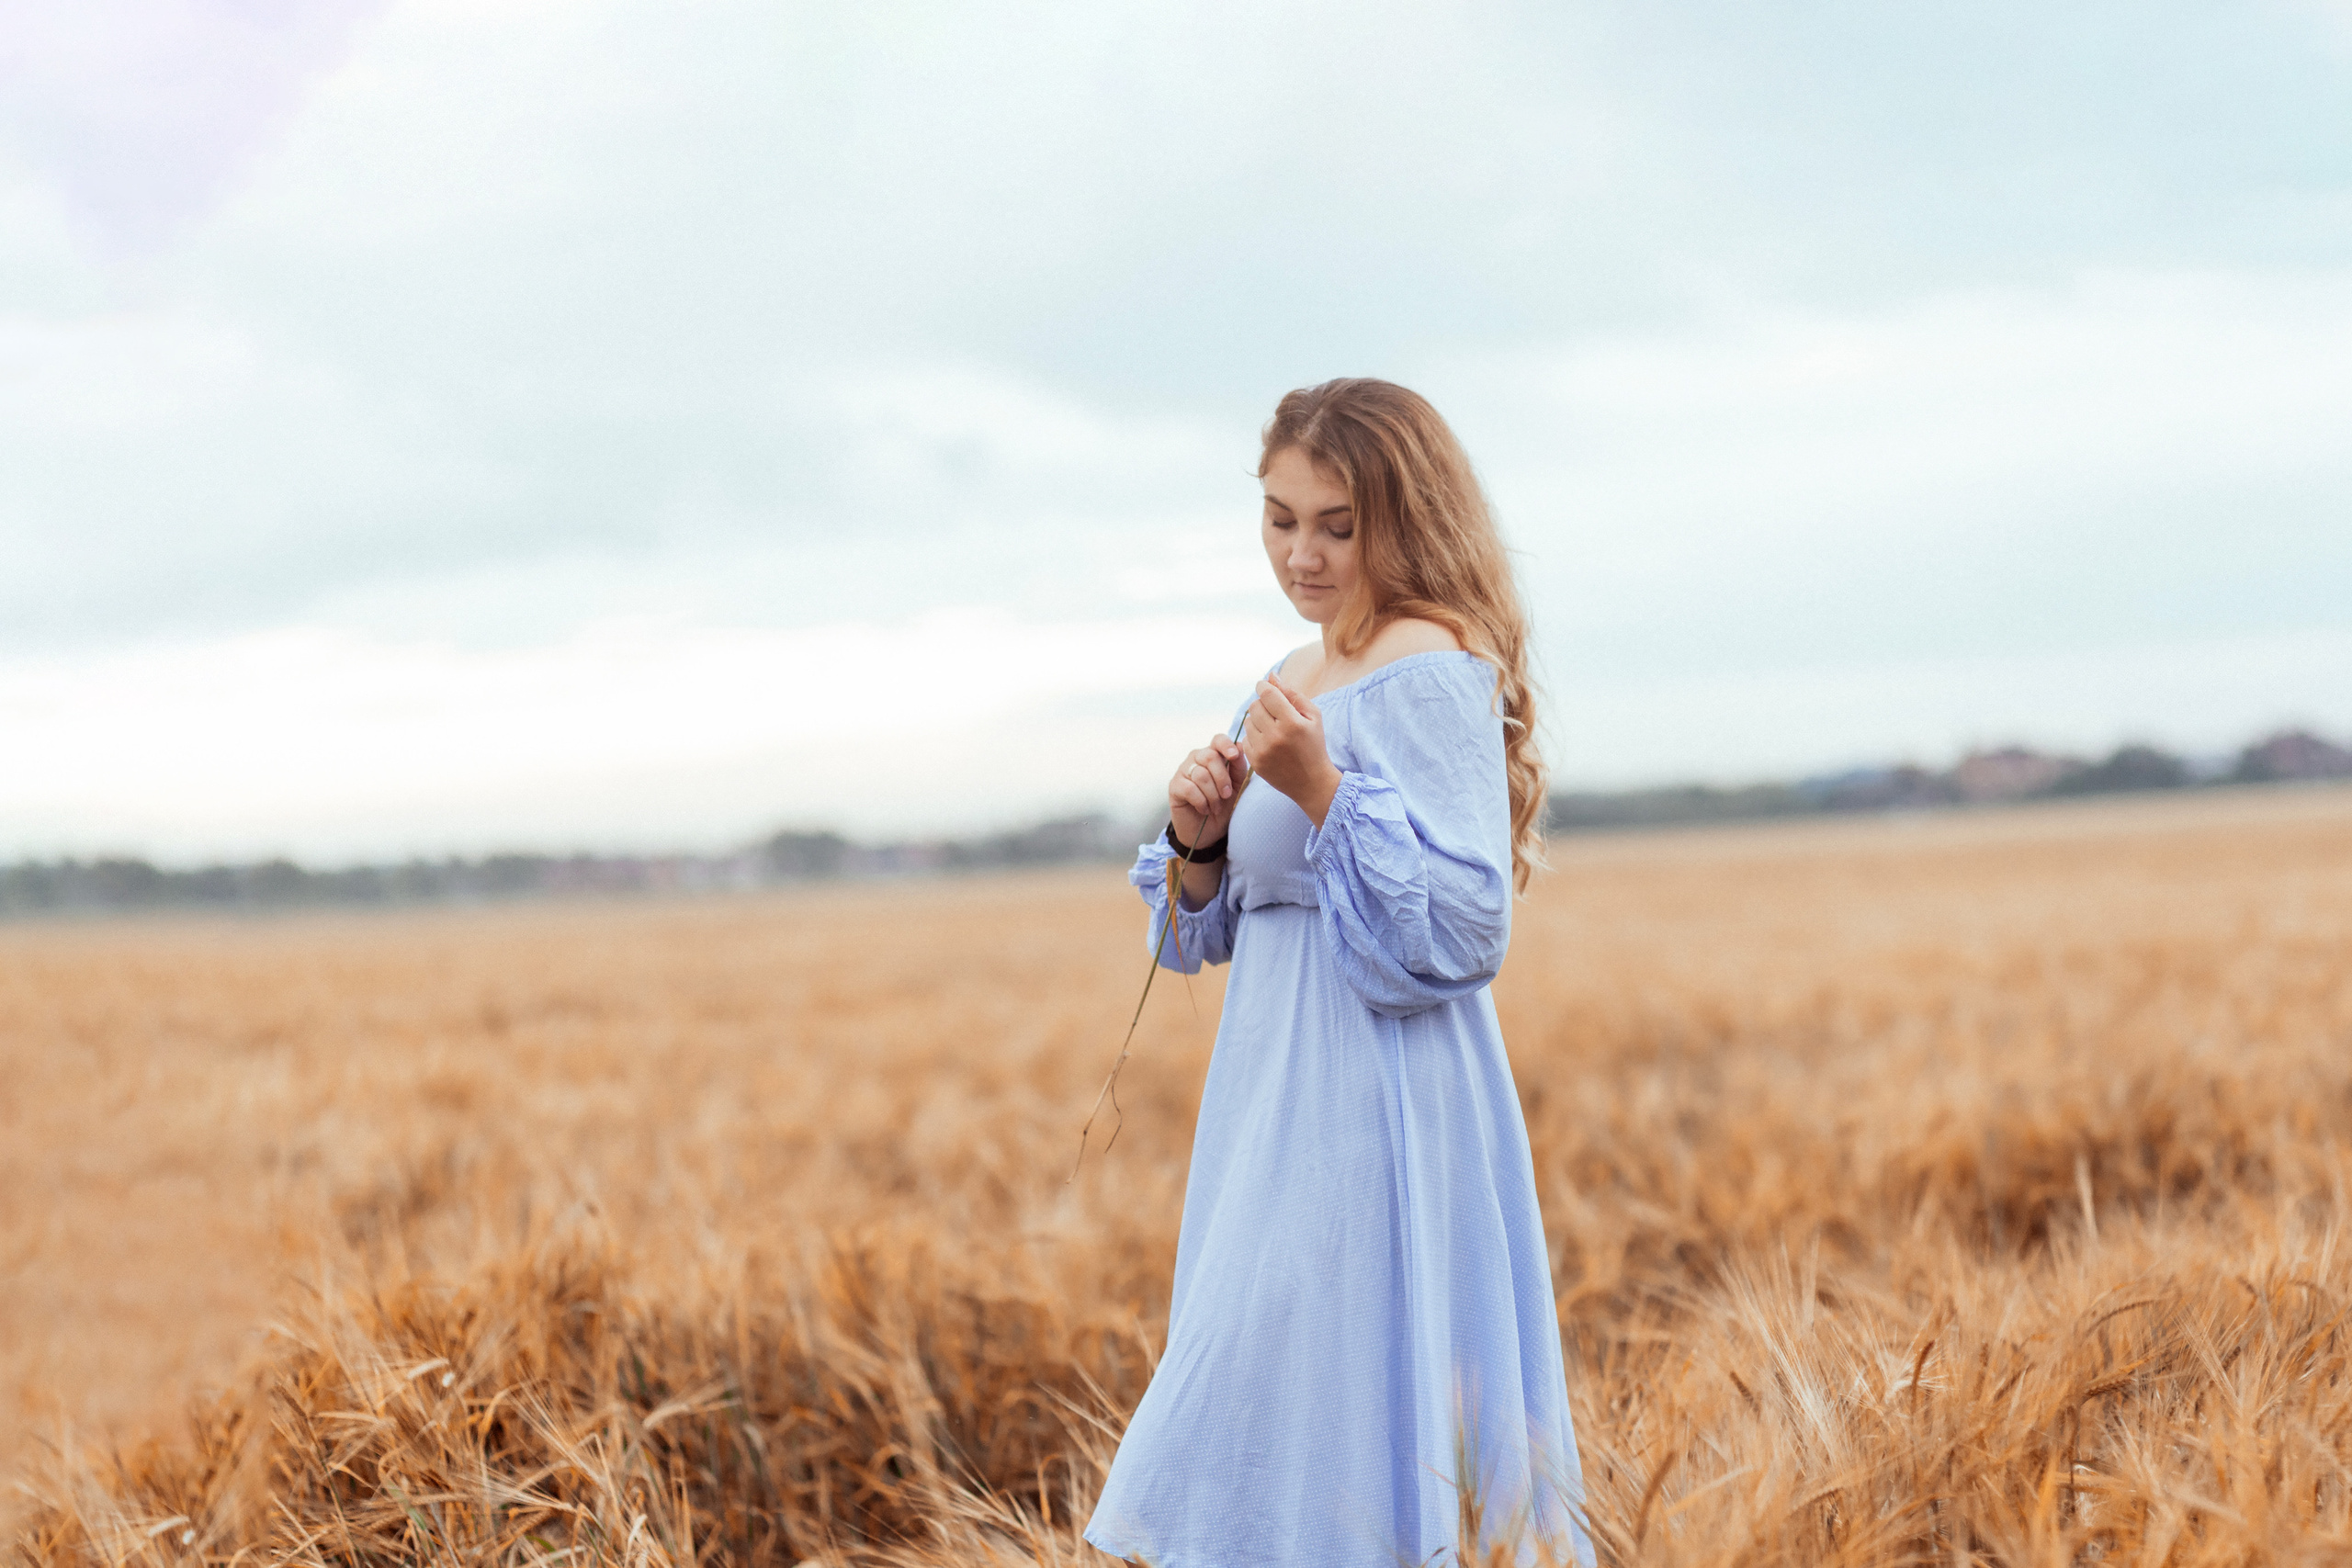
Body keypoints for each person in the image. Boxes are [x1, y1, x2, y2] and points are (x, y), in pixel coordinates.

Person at [1083, 379, 1594, 1568]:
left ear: (1403, 519)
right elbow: (1195, 936)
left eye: (1336, 524)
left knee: (1306, 1395)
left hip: (1377, 1108)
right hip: (1270, 1105)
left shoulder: (1430, 669)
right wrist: (1200, 839)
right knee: (1271, 1401)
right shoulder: (1292, 671)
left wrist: (1320, 791)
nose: (1301, 553)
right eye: (1278, 519)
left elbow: (1467, 931)